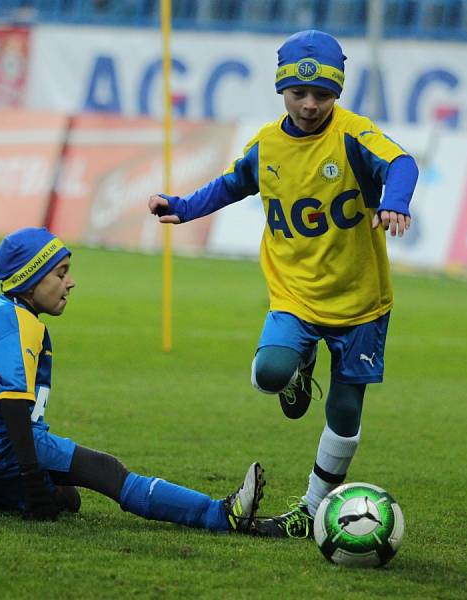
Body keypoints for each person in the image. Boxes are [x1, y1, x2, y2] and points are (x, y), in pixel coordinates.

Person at [147, 30, 418, 539]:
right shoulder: (267, 144)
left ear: (337, 93)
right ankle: (297, 368)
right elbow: (230, 184)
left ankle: (312, 509)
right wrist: (183, 208)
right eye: (300, 94)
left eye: (323, 95)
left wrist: (395, 200)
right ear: (281, 90)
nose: (311, 104)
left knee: (344, 409)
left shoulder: (354, 136)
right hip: (294, 290)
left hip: (360, 301)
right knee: (269, 373)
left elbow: (401, 162)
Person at [0, 226, 265, 534]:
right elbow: (13, 405)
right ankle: (221, 514)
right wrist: (31, 478)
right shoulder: (20, 322)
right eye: (61, 273)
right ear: (31, 280)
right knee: (108, 471)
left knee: (67, 498)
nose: (71, 282)